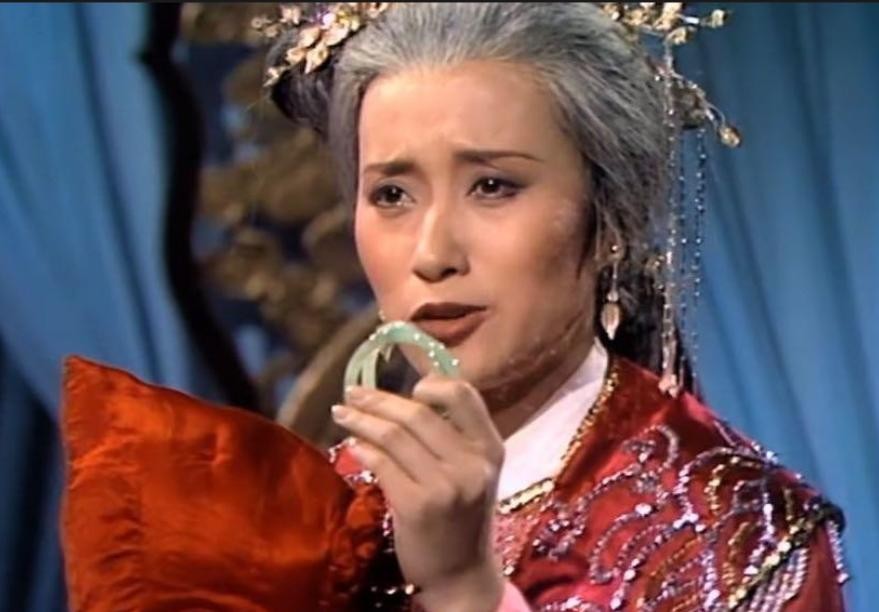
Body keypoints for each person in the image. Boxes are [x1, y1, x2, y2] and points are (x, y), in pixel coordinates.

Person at [259, 3, 849, 611]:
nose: (432, 254)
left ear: (611, 216)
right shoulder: (310, 511)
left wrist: (467, 590)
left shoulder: (735, 535)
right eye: (391, 195)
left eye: (492, 187)